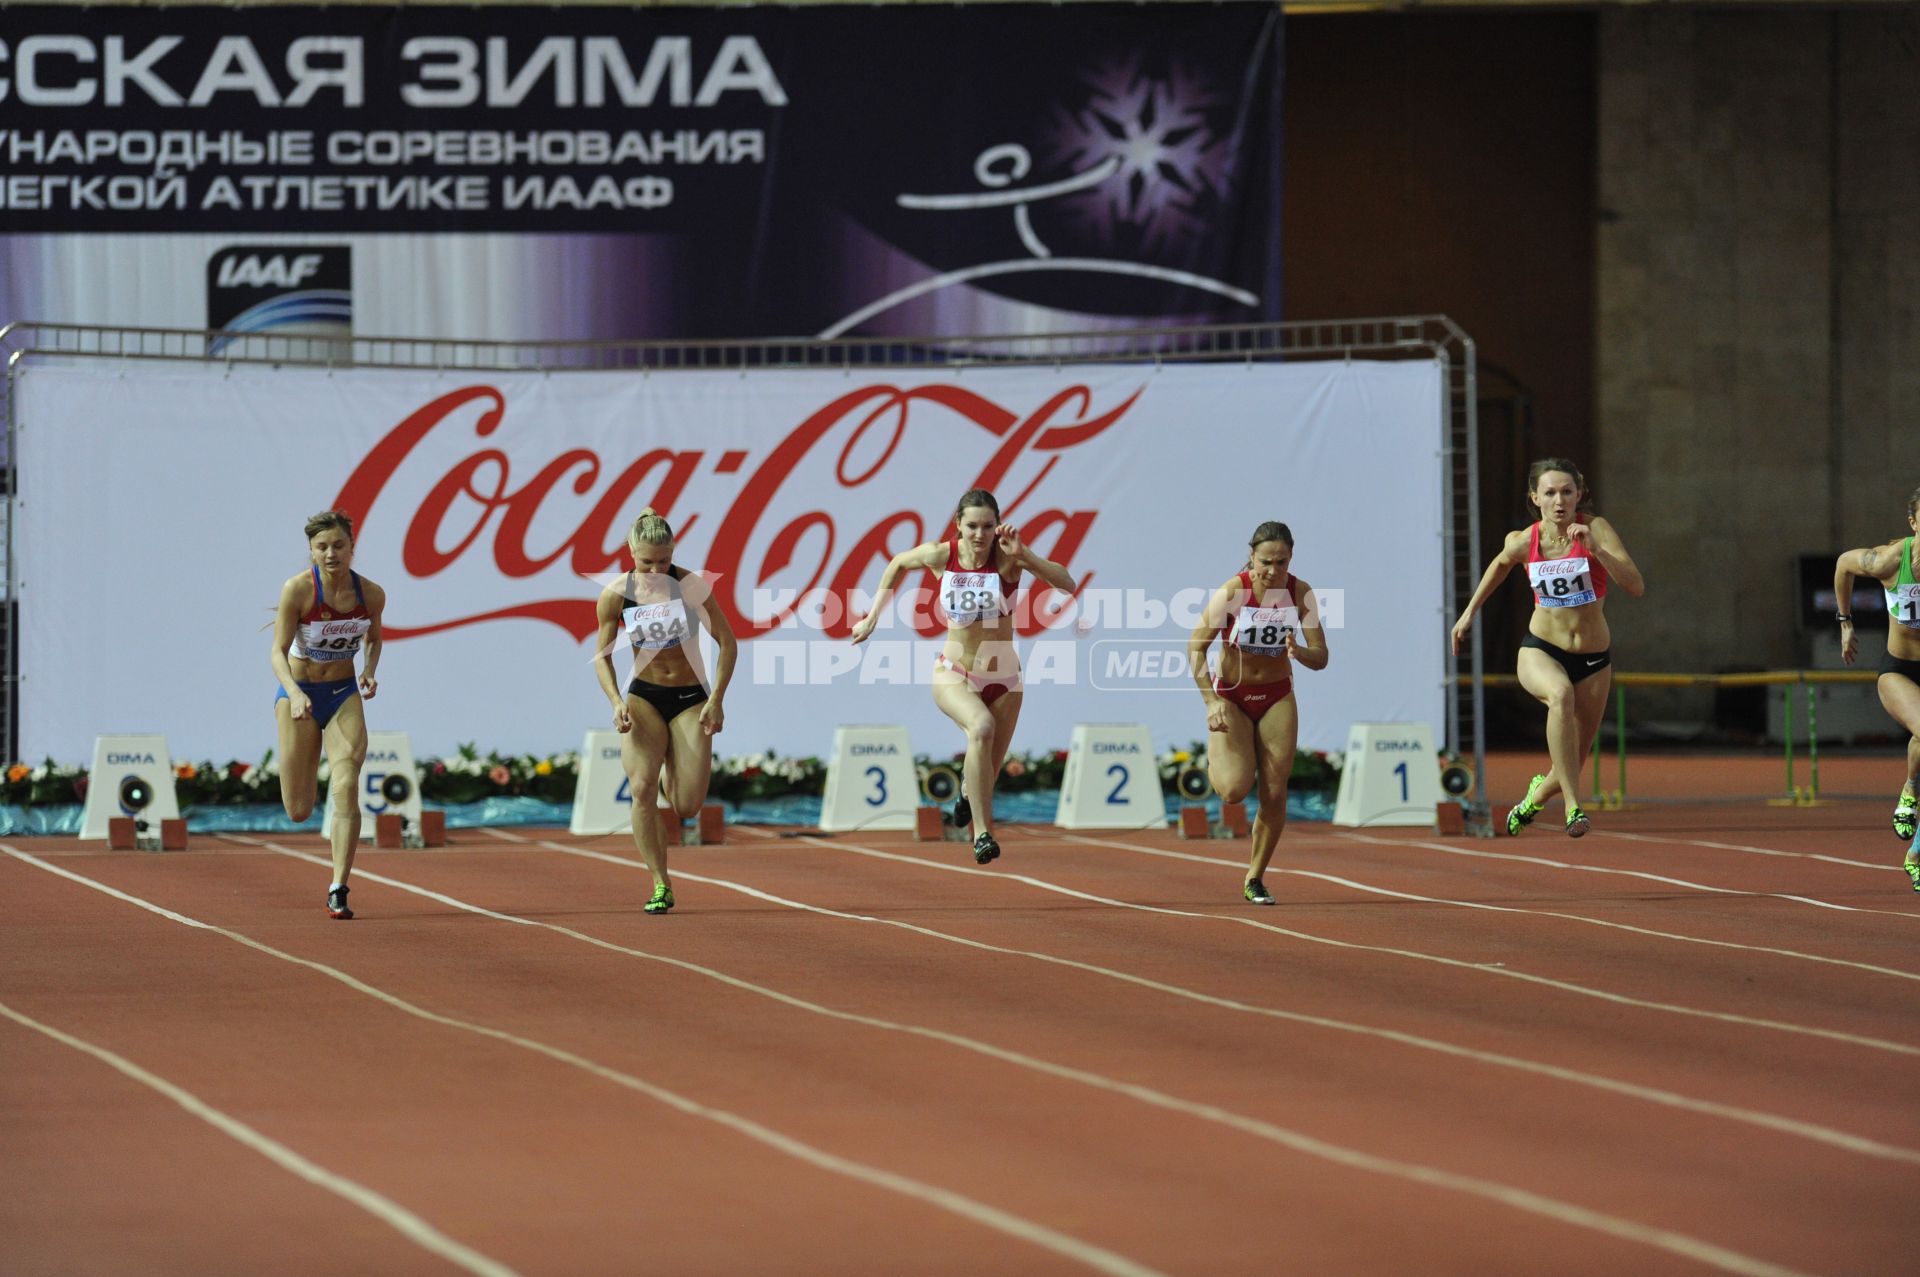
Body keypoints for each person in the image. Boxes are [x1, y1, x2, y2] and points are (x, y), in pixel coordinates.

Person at [849, 488, 1078, 865]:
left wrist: (1027, 556)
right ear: (958, 525)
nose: (980, 534)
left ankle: (967, 795)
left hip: (1006, 680)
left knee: (988, 772)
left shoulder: (1008, 560)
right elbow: (898, 563)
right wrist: (873, 616)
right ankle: (983, 834)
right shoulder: (942, 555)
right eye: (972, 526)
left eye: (988, 526)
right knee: (981, 728)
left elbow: (1066, 583)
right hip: (954, 671)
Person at [1451, 458, 1645, 838]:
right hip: (1541, 650)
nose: (1560, 501)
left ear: (1579, 495)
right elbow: (1501, 564)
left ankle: (1533, 800)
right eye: (1551, 493)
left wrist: (1596, 551)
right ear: (1535, 498)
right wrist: (1469, 613)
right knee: (1559, 694)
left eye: (1567, 492)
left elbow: (1636, 586)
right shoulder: (1525, 540)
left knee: (1571, 761)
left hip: (1593, 659)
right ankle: (1574, 807)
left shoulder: (1597, 529)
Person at [592, 509, 737, 915]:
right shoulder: (617, 594)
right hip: (643, 696)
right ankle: (660, 882)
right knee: (641, 788)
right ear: (630, 553)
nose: (656, 570)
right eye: (646, 562)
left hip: (690, 698)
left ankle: (676, 760)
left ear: (673, 553)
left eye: (663, 561)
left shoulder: (689, 587)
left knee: (687, 807)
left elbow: (727, 643)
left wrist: (717, 698)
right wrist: (616, 702)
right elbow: (602, 657)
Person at [1188, 522, 1329, 905]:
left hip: (1277, 696)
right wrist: (1211, 702)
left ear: (1291, 559)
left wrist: (1300, 651)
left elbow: (1323, 657)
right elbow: (1195, 647)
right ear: (1251, 556)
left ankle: (1255, 876)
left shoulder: (1301, 593)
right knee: (1233, 790)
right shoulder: (1234, 591)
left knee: (1274, 790)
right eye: (1266, 561)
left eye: (1281, 562)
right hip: (1232, 697)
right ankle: (1219, 755)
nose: (1273, 570)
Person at [271, 511, 386, 920]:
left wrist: (370, 670)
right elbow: (277, 652)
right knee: (298, 809)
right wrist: (295, 692)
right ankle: (304, 783)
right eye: (322, 547)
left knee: (347, 781)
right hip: (299, 696)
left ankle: (339, 886)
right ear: (311, 551)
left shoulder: (370, 594)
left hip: (342, 693)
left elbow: (374, 639)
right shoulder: (298, 591)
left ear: (352, 548)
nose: (331, 553)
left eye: (338, 545)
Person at [1834, 484, 1920, 890]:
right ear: (1913, 521)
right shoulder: (1890, 560)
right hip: (1898, 672)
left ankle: (1915, 845)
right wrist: (1845, 622)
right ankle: (1911, 789)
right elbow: (1843, 565)